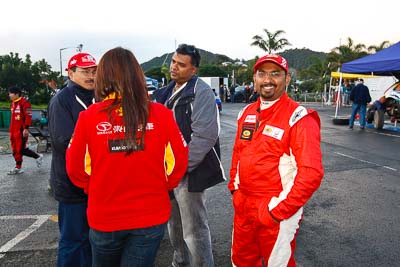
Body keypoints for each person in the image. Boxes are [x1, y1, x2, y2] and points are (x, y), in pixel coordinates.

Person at [66, 47, 188, 267]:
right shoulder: (161, 114)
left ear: (103, 76)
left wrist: (95, 188)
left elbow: (77, 170)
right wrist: (162, 185)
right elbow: (177, 164)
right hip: (150, 215)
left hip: (105, 217)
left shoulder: (89, 118)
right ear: (137, 75)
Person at [228, 54, 324, 267]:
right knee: (240, 261)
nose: (267, 80)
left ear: (287, 79)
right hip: (244, 206)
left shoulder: (299, 117)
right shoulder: (246, 112)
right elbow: (238, 154)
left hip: (275, 208)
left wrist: (276, 210)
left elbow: (311, 172)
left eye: (275, 74)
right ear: (255, 78)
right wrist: (235, 191)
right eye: (262, 74)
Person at [153, 43, 225, 267]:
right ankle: (180, 262)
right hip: (168, 172)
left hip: (188, 171)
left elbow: (204, 136)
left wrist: (179, 168)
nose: (174, 67)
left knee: (194, 229)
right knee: (174, 225)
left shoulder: (201, 92)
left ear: (193, 70)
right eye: (174, 61)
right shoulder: (165, 92)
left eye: (181, 65)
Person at [48, 52, 97, 267]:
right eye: (85, 71)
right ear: (70, 73)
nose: (91, 76)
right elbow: (62, 142)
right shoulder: (62, 100)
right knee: (73, 240)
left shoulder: (100, 96)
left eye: (94, 71)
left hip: (97, 183)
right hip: (71, 184)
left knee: (93, 240)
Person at [7, 86, 43, 175]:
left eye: (11, 93)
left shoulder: (25, 103)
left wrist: (26, 129)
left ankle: (38, 156)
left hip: (21, 131)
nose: (9, 95)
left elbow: (28, 116)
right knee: (15, 149)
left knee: (21, 149)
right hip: (13, 131)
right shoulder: (12, 104)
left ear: (16, 94)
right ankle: (18, 167)